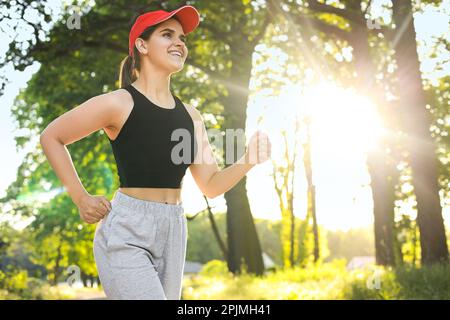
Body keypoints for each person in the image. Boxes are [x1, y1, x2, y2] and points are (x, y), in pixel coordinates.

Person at [39, 4, 271, 300]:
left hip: (173, 229)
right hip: (127, 230)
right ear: (142, 45)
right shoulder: (119, 103)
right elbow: (52, 136)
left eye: (182, 38)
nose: (179, 43)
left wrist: (249, 160)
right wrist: (80, 197)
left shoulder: (191, 116)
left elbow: (210, 185)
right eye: (167, 34)